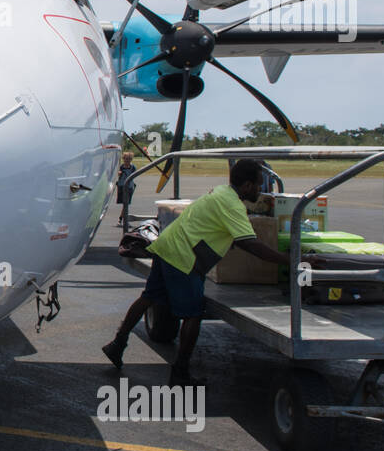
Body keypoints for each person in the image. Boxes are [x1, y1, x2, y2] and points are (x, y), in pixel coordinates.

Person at [101, 157, 320, 385]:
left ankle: (117, 344)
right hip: (183, 257)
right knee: (193, 314)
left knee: (149, 297)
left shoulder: (222, 192)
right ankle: (180, 372)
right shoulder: (232, 205)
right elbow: (249, 243)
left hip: (167, 246)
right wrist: (291, 260)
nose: (260, 189)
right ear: (246, 186)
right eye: (258, 184)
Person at [116, 152, 137, 228]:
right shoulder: (121, 167)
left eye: (129, 159)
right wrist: (119, 173)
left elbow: (135, 175)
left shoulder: (133, 167)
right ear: (123, 159)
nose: (127, 160)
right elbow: (117, 175)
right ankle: (122, 220)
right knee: (125, 204)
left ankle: (121, 219)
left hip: (129, 187)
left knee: (126, 205)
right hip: (122, 187)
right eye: (125, 159)